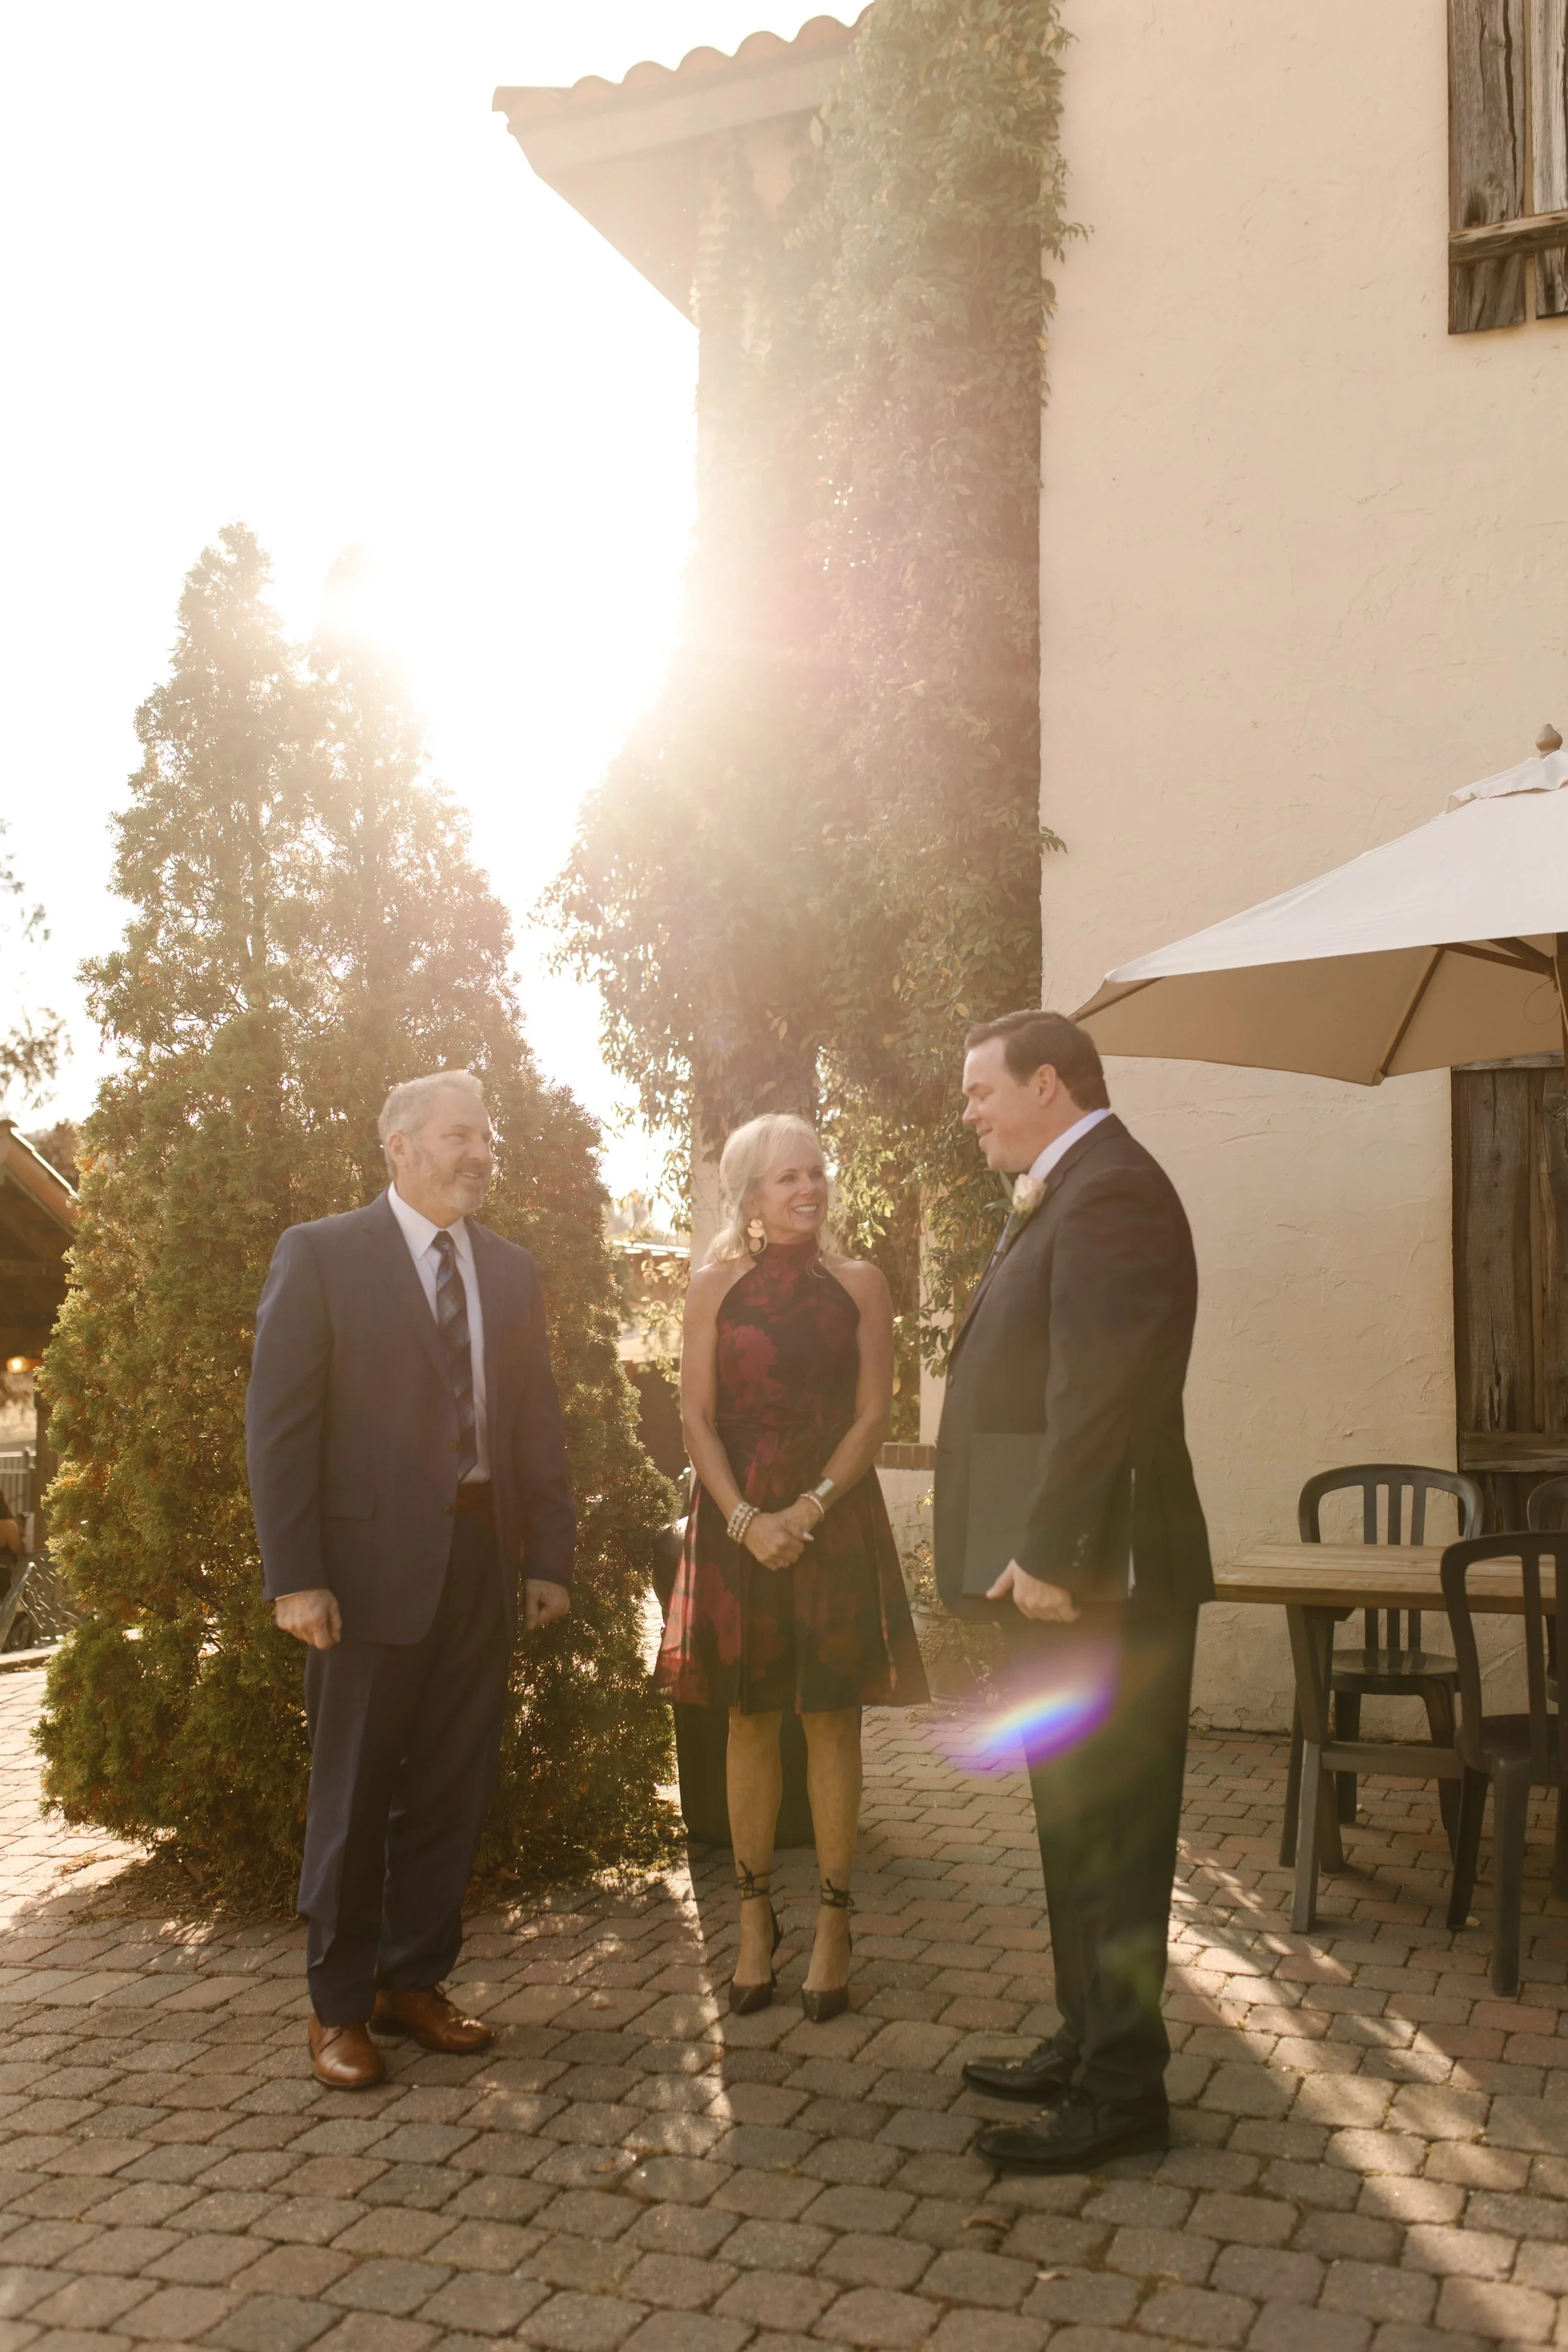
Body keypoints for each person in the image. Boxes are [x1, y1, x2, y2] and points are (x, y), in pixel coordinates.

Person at [246, 1070, 575, 2089]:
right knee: (351, 1794)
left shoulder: (510, 1270)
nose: (481, 1152)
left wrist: (549, 1557)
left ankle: (412, 1980)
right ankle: (338, 2006)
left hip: (481, 1560)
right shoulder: (322, 1254)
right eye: (460, 1134)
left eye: (487, 1136)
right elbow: (279, 1424)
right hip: (362, 1575)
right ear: (399, 1145)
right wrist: (296, 1575)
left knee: (449, 1786)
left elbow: (535, 1421)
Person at [935, 1010, 1212, 2172]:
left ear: (1047, 1083)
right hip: (1066, 1576)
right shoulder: (1076, 1186)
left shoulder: (1114, 1193)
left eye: (980, 1090)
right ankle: (1088, 2035)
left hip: (1104, 1578)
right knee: (1071, 1820)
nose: (969, 1111)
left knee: (1115, 1829)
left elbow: (1096, 1389)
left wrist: (1050, 1551)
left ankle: (1122, 2091)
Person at [658, 1113, 928, 2020]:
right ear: (750, 1194)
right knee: (747, 1719)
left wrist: (807, 1509)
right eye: (787, 1177)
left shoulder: (861, 1283)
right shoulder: (711, 1287)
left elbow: (874, 1413)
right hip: (737, 1520)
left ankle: (835, 1926)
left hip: (832, 1519)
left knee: (831, 1718)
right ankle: (754, 1923)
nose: (808, 1188)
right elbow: (695, 1417)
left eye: (815, 1172)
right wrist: (744, 1520)